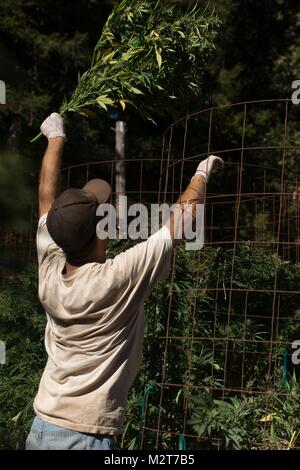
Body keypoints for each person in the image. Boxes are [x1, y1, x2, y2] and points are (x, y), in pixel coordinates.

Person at [25, 113, 224, 450]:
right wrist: (202, 173)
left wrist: (54, 139)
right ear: (100, 231)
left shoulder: (49, 266)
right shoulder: (115, 279)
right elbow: (180, 222)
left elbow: (46, 198)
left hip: (43, 426)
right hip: (85, 436)